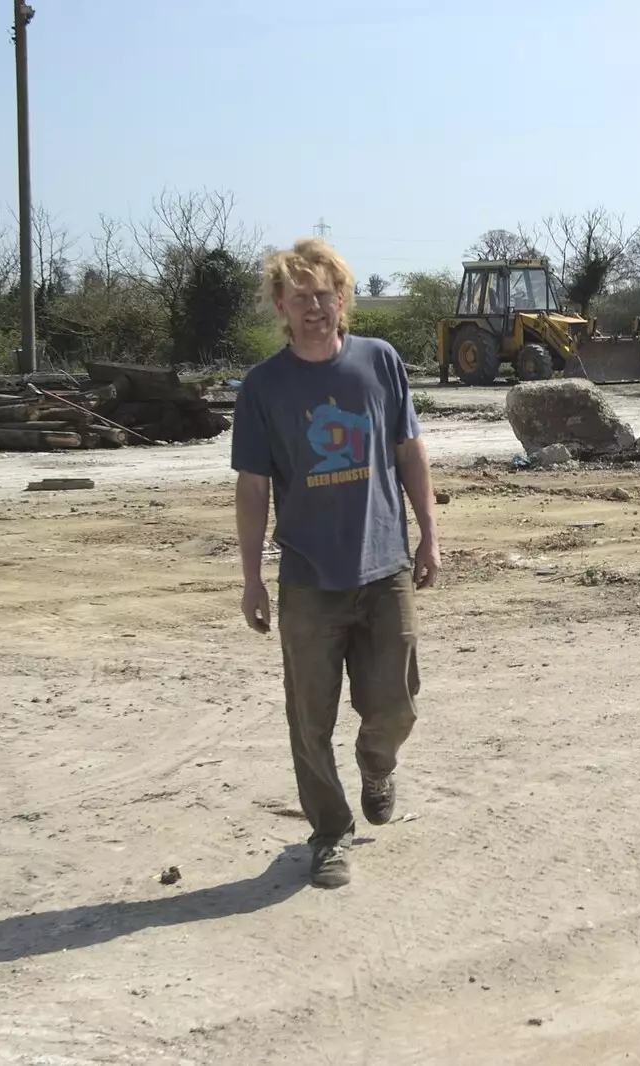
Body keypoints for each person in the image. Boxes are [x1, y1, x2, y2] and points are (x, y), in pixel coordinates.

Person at [230, 237, 440, 889]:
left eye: (326, 294)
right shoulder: (264, 388)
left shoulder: (380, 363)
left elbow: (408, 450)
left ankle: (377, 763)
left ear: (342, 300)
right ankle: (329, 834)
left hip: (384, 567)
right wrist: (249, 580)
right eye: (301, 298)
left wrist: (429, 533)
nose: (316, 307)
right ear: (281, 307)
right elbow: (253, 486)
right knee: (309, 720)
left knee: (398, 702)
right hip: (308, 579)